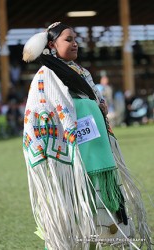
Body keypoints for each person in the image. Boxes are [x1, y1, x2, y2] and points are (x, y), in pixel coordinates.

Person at [22, 22, 152, 250]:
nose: (75, 43)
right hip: (71, 156)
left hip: (97, 149)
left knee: (101, 211)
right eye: (68, 39)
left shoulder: (82, 72)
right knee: (77, 209)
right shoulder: (45, 75)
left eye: (75, 39)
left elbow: (99, 104)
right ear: (51, 45)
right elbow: (37, 115)